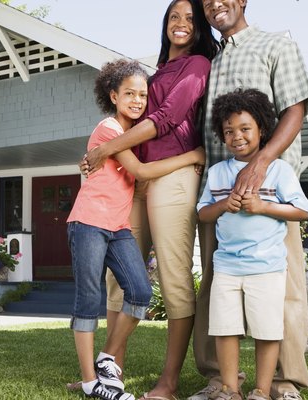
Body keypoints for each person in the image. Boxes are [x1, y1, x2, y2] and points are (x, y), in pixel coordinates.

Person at [82, 1, 219, 399]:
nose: (181, 24)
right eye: (174, 16)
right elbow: (127, 119)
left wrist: (106, 151)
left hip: (174, 177)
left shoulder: (197, 66)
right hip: (137, 180)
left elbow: (166, 119)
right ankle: (108, 375)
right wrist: (103, 149)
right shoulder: (154, 73)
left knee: (175, 279)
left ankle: (169, 383)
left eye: (190, 18)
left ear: (199, 29)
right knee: (118, 280)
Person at [190, 1, 308, 400]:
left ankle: (283, 382)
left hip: (270, 196)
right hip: (219, 196)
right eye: (206, 0)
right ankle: (221, 380)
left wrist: (261, 163)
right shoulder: (207, 61)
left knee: (284, 292)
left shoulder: (275, 45)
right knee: (216, 287)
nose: (215, 4)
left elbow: (294, 109)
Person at [196, 88, 308, 400]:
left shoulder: (278, 170)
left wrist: (263, 207)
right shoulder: (218, 173)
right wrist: (224, 205)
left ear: (262, 128)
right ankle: (230, 389)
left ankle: (261, 389)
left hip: (266, 267)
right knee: (225, 329)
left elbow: (301, 210)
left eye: (245, 128)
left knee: (267, 331)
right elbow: (203, 213)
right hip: (227, 268)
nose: (237, 136)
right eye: (229, 131)